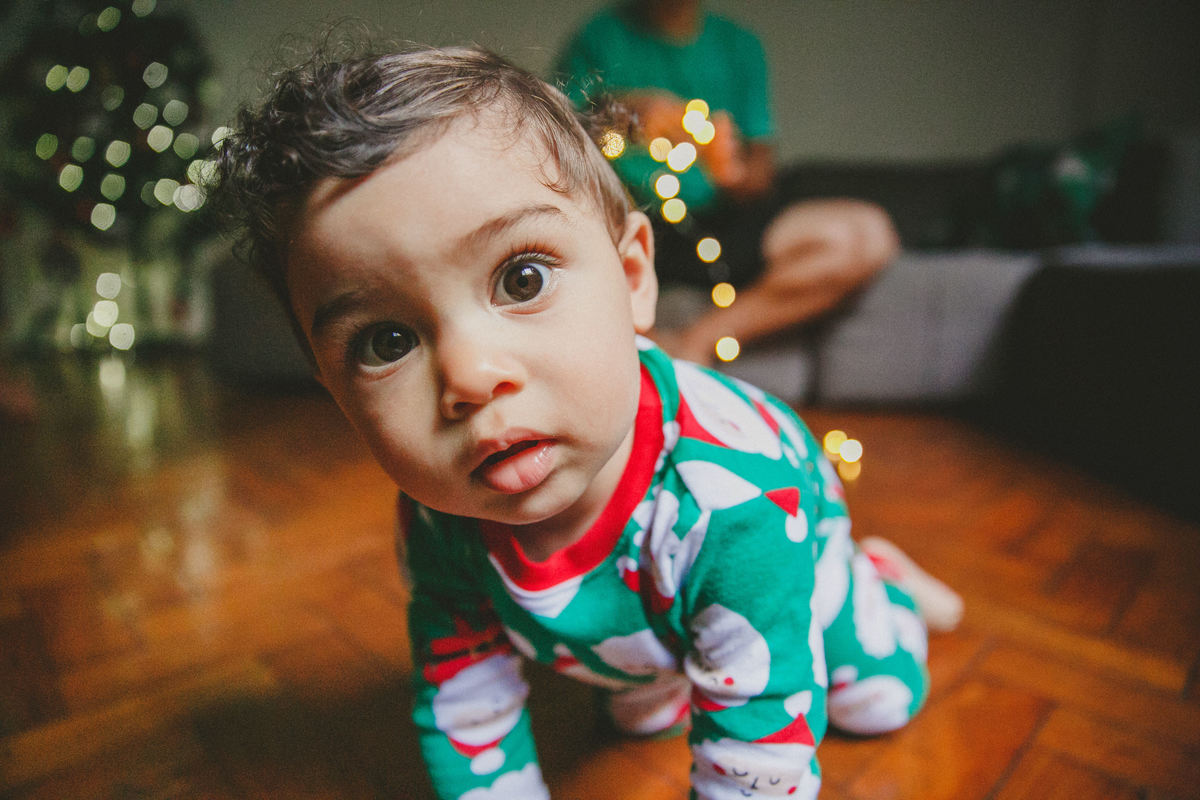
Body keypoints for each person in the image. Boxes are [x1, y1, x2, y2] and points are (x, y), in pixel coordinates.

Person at [213, 44, 960, 800]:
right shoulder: (440, 519)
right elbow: (468, 705)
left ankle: (882, 585)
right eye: (386, 341)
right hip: (638, 623)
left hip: (788, 552)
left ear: (633, 277)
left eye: (522, 278)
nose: (470, 378)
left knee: (876, 701)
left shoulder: (737, 504)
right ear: (336, 394)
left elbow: (759, 756)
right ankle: (668, 655)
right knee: (641, 714)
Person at [555, 0, 900, 364]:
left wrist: (731, 168)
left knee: (867, 235)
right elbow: (560, 133)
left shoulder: (738, 44)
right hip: (630, 220)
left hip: (724, 225)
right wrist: (626, 113)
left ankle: (697, 341)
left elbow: (759, 175)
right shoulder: (600, 35)